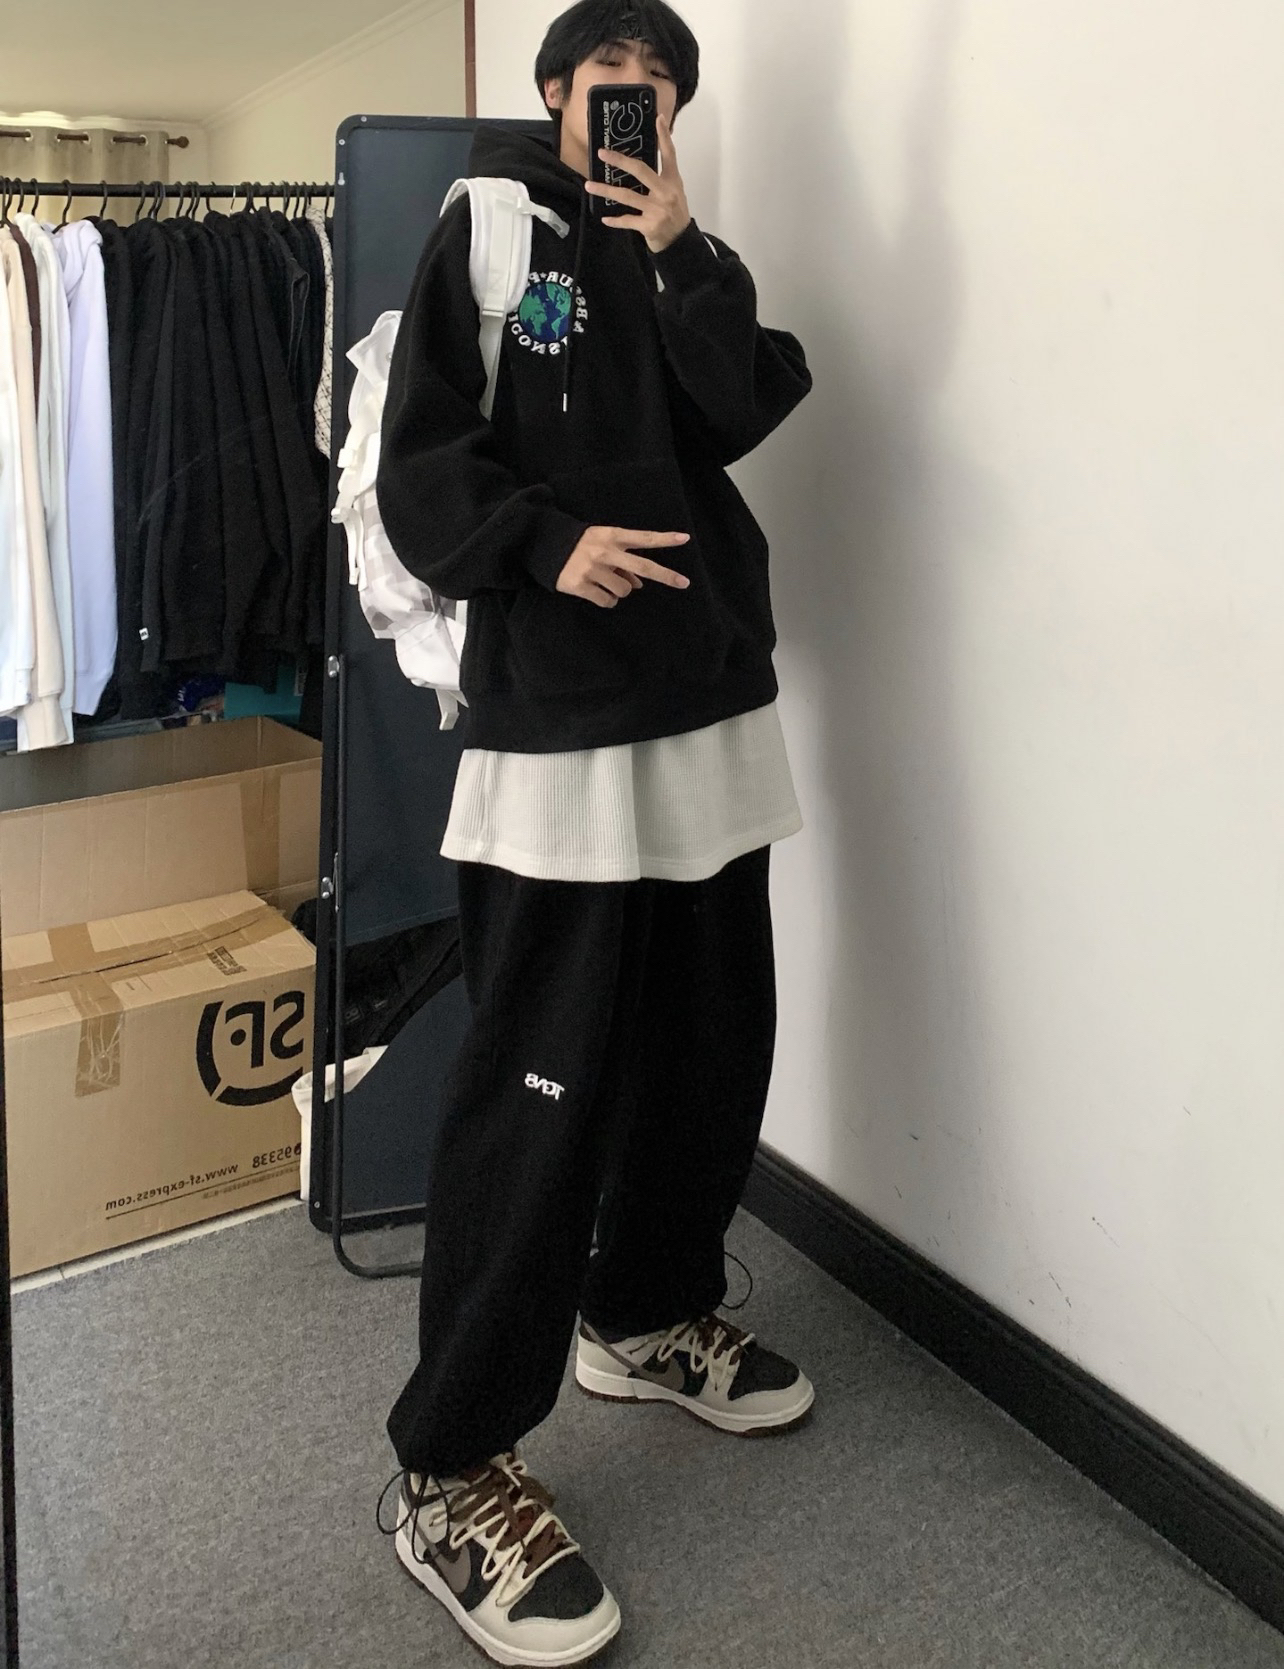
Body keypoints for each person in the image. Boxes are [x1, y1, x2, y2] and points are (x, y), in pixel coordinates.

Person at [372, 2, 815, 1662]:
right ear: (554, 89)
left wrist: (683, 246)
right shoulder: (486, 228)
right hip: (557, 719)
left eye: (660, 91)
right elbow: (418, 456)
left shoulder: (685, 246)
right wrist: (538, 544)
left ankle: (647, 1307)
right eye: (610, 84)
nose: (636, 107)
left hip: (708, 702)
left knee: (713, 1037)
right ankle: (450, 1464)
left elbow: (743, 405)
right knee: (537, 1084)